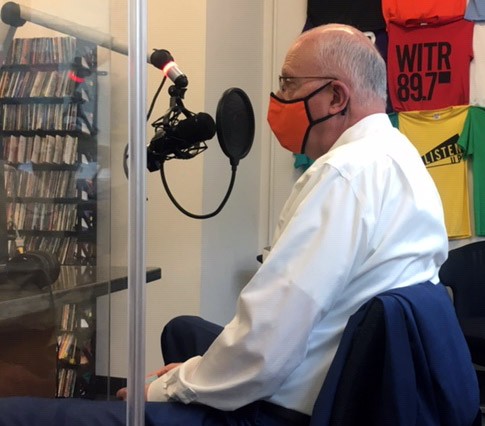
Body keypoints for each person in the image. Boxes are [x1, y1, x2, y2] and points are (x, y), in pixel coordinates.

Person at [0, 23, 449, 426]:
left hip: (282, 407)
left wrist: (167, 389)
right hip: (336, 376)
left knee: (15, 413)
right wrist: (194, 374)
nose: (277, 100)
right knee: (182, 329)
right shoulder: (399, 156)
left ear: (336, 97)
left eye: (288, 84)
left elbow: (265, 352)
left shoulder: (344, 175)